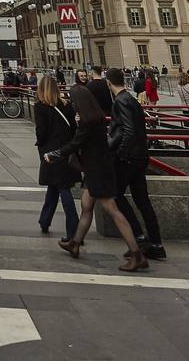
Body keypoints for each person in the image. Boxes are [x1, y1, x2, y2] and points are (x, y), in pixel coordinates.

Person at [47, 81, 147, 271]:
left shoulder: (87, 123)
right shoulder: (96, 118)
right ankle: (75, 242)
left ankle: (137, 254)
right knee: (86, 206)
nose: (72, 104)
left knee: (113, 210)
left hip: (98, 171)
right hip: (97, 169)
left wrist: (54, 154)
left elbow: (74, 144)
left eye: (74, 101)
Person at [104, 68, 166, 262]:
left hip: (129, 158)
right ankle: (156, 244)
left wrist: (120, 153)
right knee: (142, 200)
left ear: (108, 83)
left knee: (116, 194)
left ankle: (139, 237)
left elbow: (128, 130)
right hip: (141, 156)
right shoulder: (131, 99)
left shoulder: (121, 101)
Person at [32, 75, 79, 243]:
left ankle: (74, 231)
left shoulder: (40, 107)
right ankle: (44, 220)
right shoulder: (67, 106)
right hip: (65, 150)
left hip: (50, 153)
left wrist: (40, 143)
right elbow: (74, 129)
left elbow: (41, 132)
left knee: (62, 188)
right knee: (55, 186)